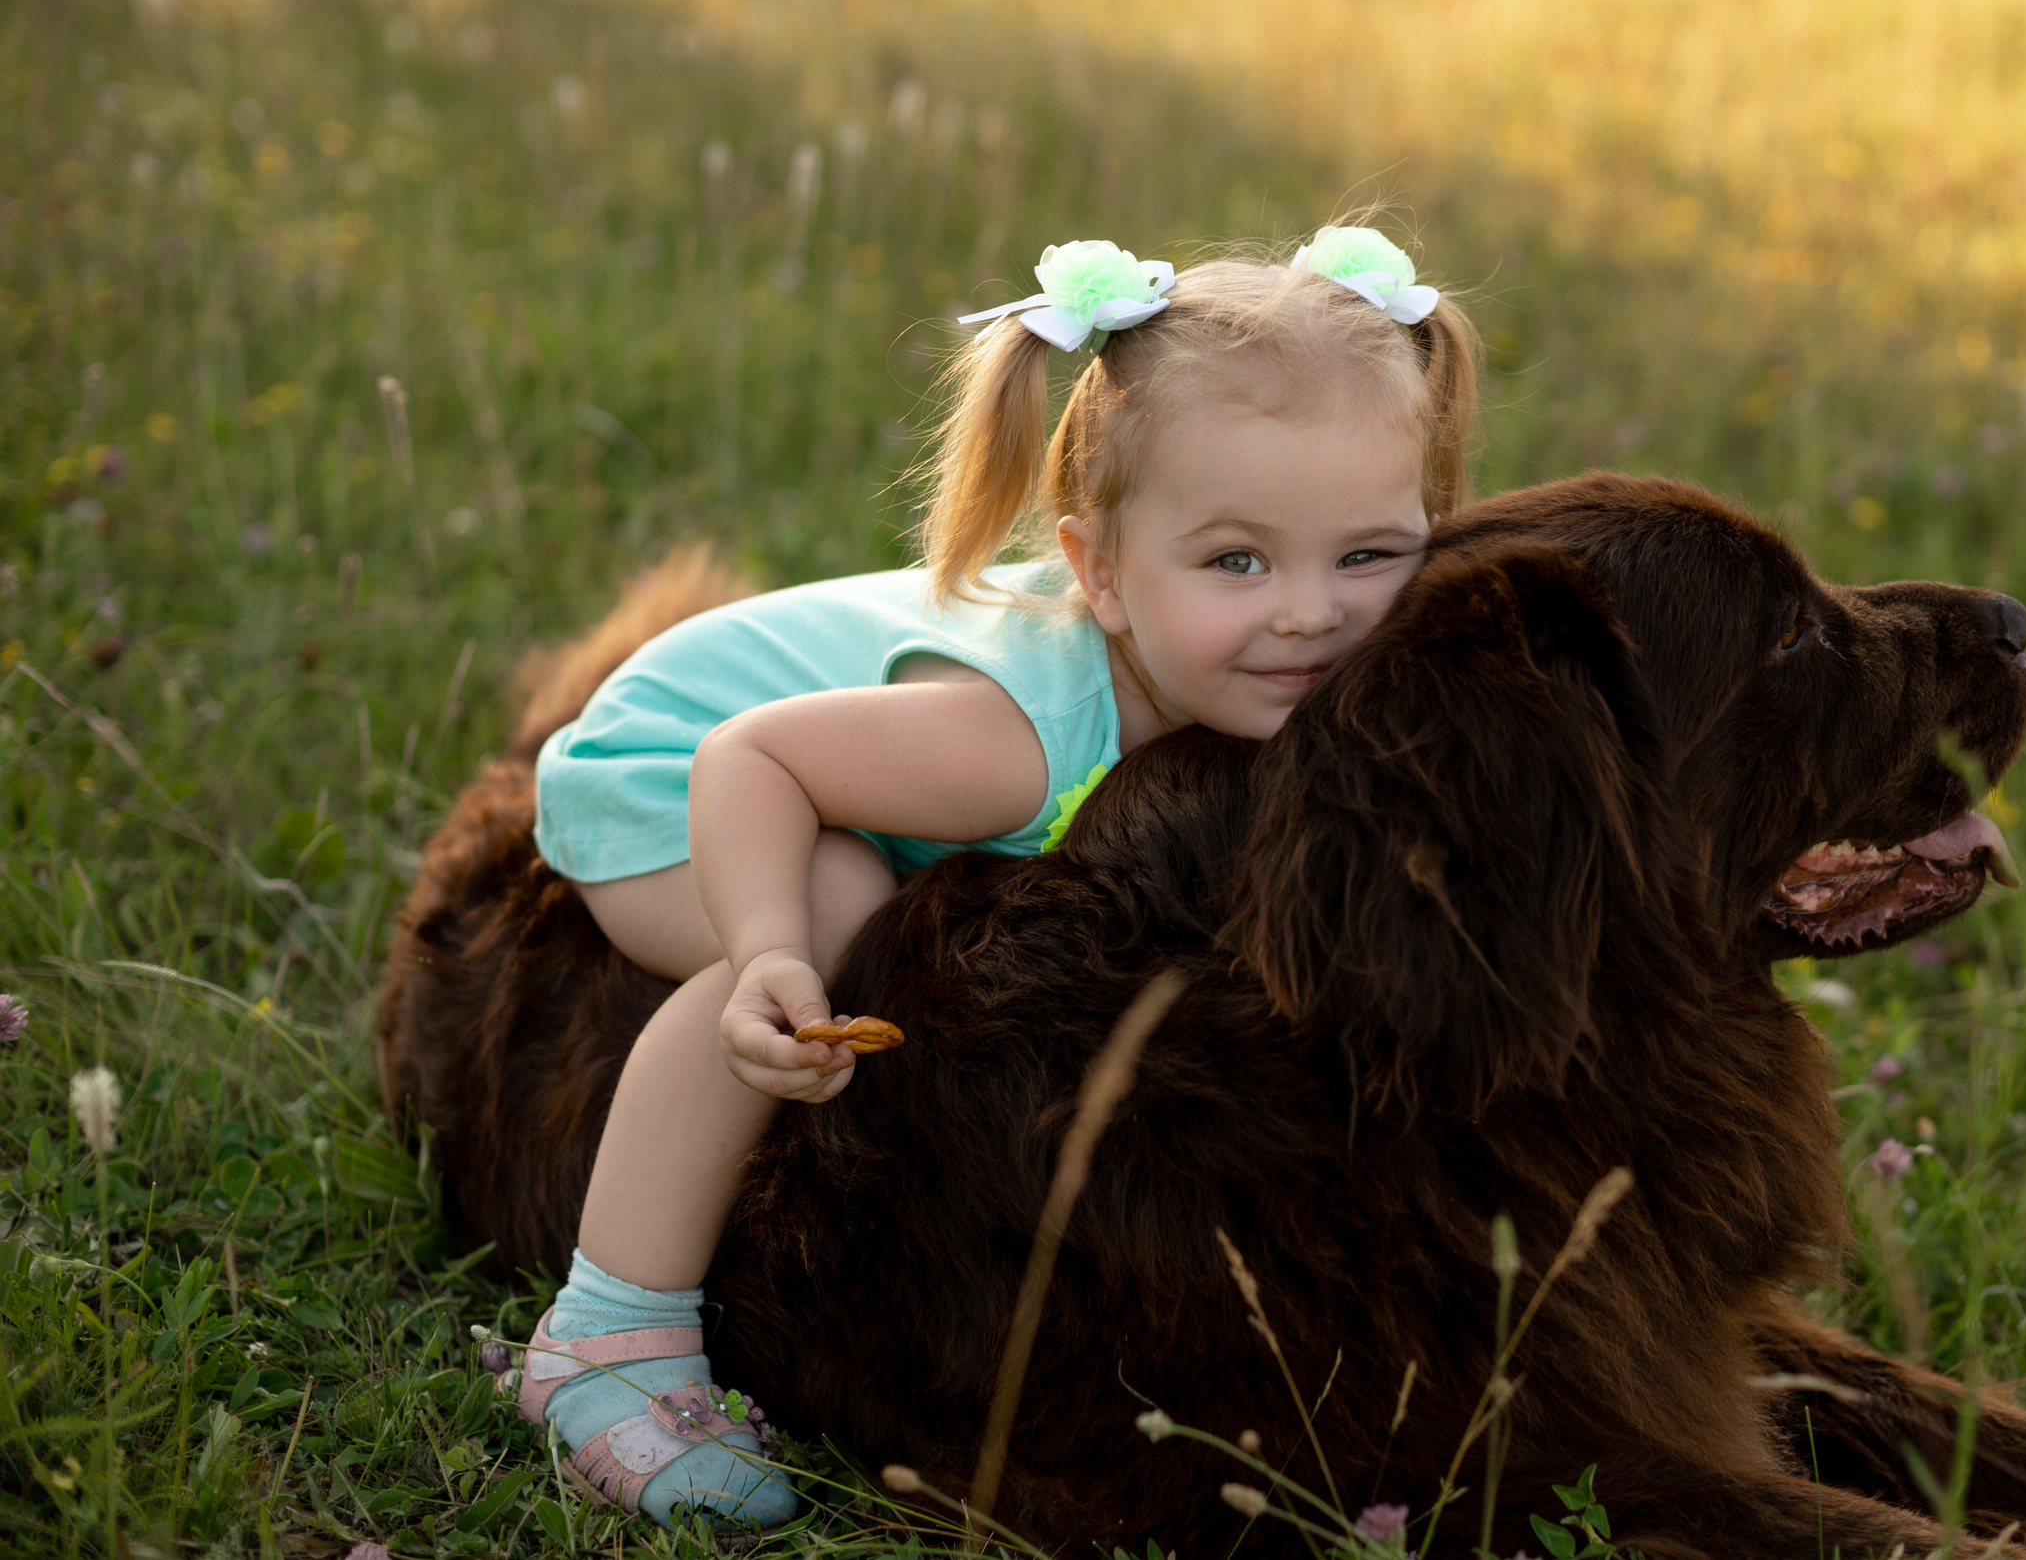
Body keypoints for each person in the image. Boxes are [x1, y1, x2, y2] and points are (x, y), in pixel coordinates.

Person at [497, 227, 1482, 1526]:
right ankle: (605, 1336)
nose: (1312, 612)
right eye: (1238, 561)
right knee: (844, 919)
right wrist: (769, 951)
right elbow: (753, 760)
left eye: (1369, 554)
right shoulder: (1011, 744)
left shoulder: (1228, 669)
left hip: (804, 752)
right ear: (1101, 576)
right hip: (668, 772)